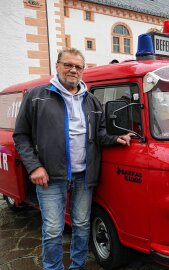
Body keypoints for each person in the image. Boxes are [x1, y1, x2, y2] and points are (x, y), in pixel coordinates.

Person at [13, 48, 132, 270]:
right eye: (68, 65)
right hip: (50, 176)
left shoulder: (92, 102)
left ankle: (77, 266)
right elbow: (21, 136)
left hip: (84, 176)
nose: (73, 70)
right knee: (53, 229)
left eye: (78, 66)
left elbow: (100, 134)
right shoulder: (37, 96)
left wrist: (117, 138)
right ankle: (53, 268)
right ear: (57, 66)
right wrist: (34, 167)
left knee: (81, 224)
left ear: (83, 70)